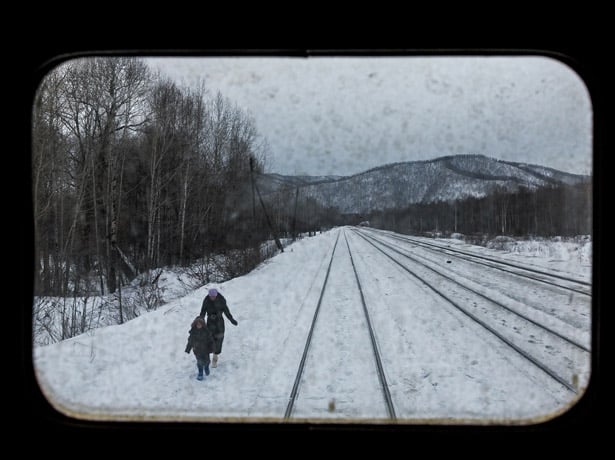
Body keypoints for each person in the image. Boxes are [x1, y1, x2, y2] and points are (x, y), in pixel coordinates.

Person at [199, 288, 238, 368]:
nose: (212, 298)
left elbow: (226, 311)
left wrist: (231, 319)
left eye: (214, 296)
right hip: (210, 322)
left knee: (219, 340)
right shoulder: (206, 300)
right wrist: (201, 320)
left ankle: (215, 358)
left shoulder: (221, 300)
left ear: (216, 295)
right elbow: (203, 311)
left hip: (219, 322)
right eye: (211, 296)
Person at [184, 316, 214, 380]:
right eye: (197, 324)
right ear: (195, 324)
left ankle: (206, 367)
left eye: (200, 324)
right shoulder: (193, 332)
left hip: (206, 350)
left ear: (203, 324)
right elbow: (190, 341)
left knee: (207, 361)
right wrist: (188, 349)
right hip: (197, 350)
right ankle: (200, 373)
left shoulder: (206, 332)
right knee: (199, 362)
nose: (199, 325)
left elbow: (211, 341)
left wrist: (212, 347)